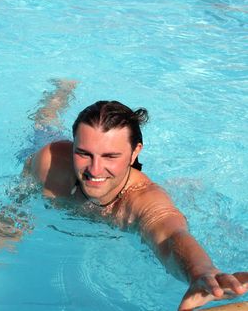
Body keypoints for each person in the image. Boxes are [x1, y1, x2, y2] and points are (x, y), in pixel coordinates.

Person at [23, 80, 247, 310]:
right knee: (42, 125)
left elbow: (169, 236)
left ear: (134, 153)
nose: (94, 170)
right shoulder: (51, 162)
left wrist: (199, 271)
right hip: (46, 142)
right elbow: (22, 190)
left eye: (110, 156)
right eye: (84, 153)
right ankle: (61, 91)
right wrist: (8, 222)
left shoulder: (142, 199)